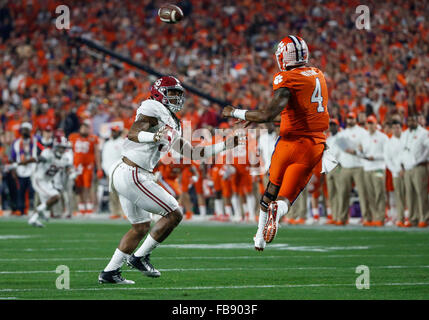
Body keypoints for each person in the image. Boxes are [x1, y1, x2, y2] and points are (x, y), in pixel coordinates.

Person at [99, 76, 238, 284]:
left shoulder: (172, 121)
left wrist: (224, 146)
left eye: (178, 94)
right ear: (159, 93)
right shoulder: (152, 106)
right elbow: (134, 132)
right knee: (174, 214)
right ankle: (139, 257)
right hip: (133, 173)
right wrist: (153, 137)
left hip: (128, 171)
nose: (176, 98)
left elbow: (193, 153)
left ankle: (110, 272)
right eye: (172, 93)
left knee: (140, 227)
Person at [223, 35, 332, 250]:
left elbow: (267, 113)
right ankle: (266, 228)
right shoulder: (318, 75)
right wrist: (252, 117)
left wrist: (237, 112)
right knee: (285, 199)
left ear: (284, 56)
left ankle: (259, 238)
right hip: (313, 145)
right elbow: (293, 115)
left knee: (270, 190)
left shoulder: (287, 78)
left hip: (288, 143)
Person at [334, 112, 369, 225]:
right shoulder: (341, 134)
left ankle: (367, 218)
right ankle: (342, 217)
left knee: (363, 194)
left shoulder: (363, 132)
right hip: (345, 166)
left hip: (359, 166)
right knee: (343, 193)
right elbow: (338, 151)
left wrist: (355, 151)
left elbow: (365, 149)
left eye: (352, 118)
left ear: (355, 119)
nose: (350, 120)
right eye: (348, 118)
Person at [28, 136, 71, 227]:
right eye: (61, 147)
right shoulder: (48, 153)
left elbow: (66, 169)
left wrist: (70, 171)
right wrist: (22, 163)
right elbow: (37, 159)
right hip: (39, 179)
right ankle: (36, 214)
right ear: (56, 146)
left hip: (47, 182)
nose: (62, 150)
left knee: (48, 203)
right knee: (55, 197)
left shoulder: (65, 159)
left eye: (64, 148)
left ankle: (35, 218)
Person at [399, 114, 429, 227]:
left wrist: (423, 158)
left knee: (421, 194)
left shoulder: (424, 133)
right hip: (407, 168)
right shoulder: (405, 133)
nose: (411, 122)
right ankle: (412, 218)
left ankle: (424, 218)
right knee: (410, 195)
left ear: (417, 121)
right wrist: (401, 166)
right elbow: (402, 151)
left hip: (419, 167)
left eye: (413, 120)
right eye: (409, 120)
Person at [69, 120, 103, 215]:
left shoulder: (93, 138)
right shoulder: (73, 137)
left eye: (86, 128)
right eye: (83, 127)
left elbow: (97, 154)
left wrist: (99, 168)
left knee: (87, 187)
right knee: (78, 187)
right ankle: (81, 207)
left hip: (88, 166)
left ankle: (89, 206)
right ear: (80, 129)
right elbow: (69, 152)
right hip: (76, 167)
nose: (84, 129)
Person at [360, 115, 389, 226]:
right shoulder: (364, 138)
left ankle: (380, 217)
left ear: (376, 124)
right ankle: (373, 217)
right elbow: (362, 153)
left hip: (378, 167)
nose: (370, 125)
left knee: (379, 192)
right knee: (370, 194)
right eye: (369, 123)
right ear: (366, 125)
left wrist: (375, 157)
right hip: (367, 168)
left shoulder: (383, 137)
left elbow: (387, 154)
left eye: (372, 123)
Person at [10, 122, 38, 216]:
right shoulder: (16, 142)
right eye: (23, 129)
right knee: (20, 191)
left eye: (27, 129)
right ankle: (20, 209)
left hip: (32, 170)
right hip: (20, 170)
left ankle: (32, 209)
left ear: (30, 131)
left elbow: (37, 155)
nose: (25, 131)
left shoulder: (35, 141)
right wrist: (14, 170)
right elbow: (13, 157)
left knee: (32, 191)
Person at [383, 120, 407, 226]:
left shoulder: (407, 139)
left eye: (398, 127)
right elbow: (388, 160)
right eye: (394, 128)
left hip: (408, 171)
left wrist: (406, 169)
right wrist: (396, 170)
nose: (396, 130)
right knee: (399, 196)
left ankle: (412, 217)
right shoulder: (388, 142)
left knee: (411, 195)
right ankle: (400, 218)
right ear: (392, 129)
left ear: (401, 128)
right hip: (396, 173)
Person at [101, 125, 125, 219]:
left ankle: (123, 211)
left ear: (119, 132)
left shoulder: (122, 142)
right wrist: (104, 169)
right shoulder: (107, 143)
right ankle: (115, 211)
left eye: (115, 131)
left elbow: (123, 157)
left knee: (122, 192)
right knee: (112, 192)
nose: (113, 133)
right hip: (109, 171)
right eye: (112, 131)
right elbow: (104, 157)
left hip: (119, 171)